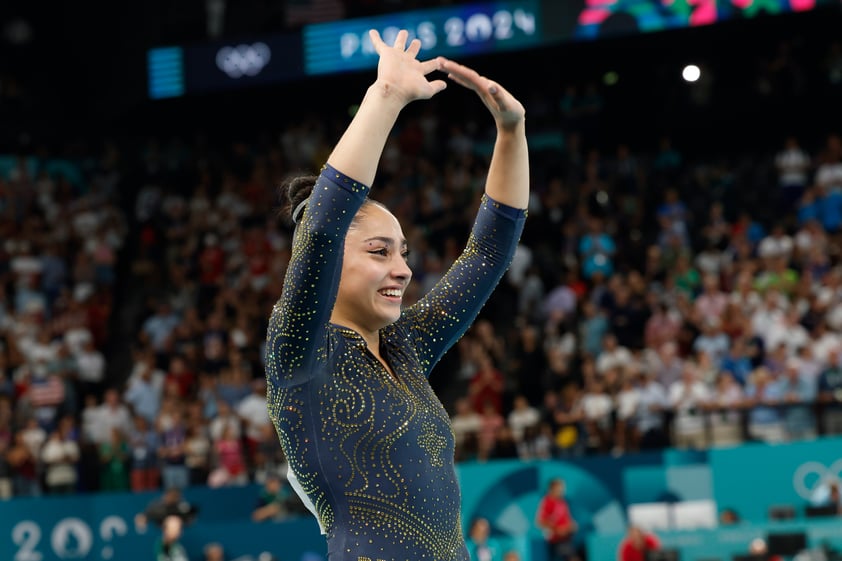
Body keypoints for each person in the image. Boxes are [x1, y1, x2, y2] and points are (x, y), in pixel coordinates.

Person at [265, 28, 528, 561]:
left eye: (404, 252)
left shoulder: (403, 352)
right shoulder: (300, 351)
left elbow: (486, 256)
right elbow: (321, 227)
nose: (403, 270)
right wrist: (384, 98)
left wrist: (511, 131)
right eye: (381, 251)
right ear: (329, 261)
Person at [535, 478, 579, 561]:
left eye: (562, 488)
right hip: (555, 540)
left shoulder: (563, 502)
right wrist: (557, 529)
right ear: (552, 489)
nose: (562, 491)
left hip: (566, 539)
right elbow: (540, 521)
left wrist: (572, 526)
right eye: (559, 488)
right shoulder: (547, 502)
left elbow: (567, 520)